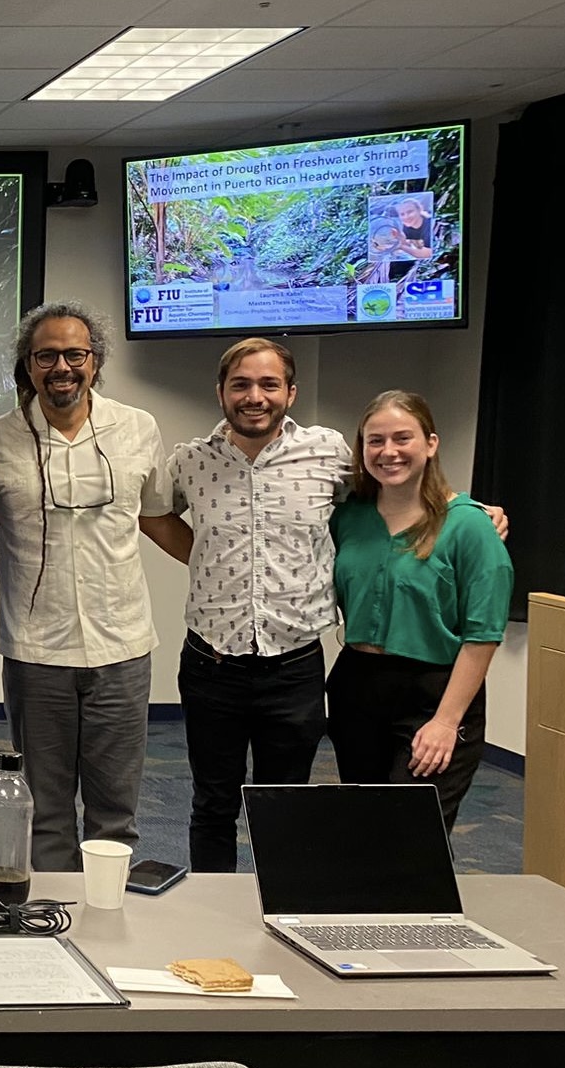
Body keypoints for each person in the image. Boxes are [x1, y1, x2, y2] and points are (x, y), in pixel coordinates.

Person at [0, 302, 171, 873]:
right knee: (45, 809)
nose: (62, 366)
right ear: (28, 366)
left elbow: (157, 516)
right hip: (37, 652)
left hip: (124, 647)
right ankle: (55, 929)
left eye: (74, 354)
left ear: (95, 361)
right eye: (46, 356)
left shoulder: (138, 428)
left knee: (116, 811)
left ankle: (110, 930)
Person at [149, 338, 347, 873]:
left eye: (268, 384)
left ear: (291, 392)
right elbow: (153, 514)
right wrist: (204, 558)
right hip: (213, 664)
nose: (254, 396)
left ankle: (279, 915)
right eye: (241, 384)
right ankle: (215, 921)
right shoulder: (191, 461)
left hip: (295, 663)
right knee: (213, 804)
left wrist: (465, 505)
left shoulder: (328, 453)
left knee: (283, 808)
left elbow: (392, 491)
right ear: (221, 392)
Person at [327, 391, 512, 833]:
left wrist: (446, 722)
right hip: (357, 687)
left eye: (402, 438)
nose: (388, 451)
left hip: (434, 692)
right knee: (365, 828)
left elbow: (483, 634)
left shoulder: (470, 526)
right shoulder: (348, 517)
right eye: (375, 441)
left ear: (431, 443)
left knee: (411, 834)